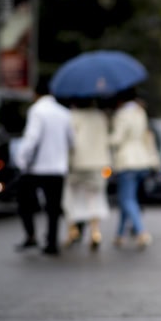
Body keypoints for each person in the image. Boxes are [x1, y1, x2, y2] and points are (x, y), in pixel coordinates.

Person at [14, 76, 73, 256]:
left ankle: (31, 234)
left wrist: (21, 160)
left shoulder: (37, 111)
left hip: (37, 168)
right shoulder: (65, 113)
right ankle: (52, 242)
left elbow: (31, 139)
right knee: (53, 208)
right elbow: (72, 141)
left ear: (36, 93)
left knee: (24, 202)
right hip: (58, 168)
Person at [109, 88, 161, 249]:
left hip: (127, 161)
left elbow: (117, 139)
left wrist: (104, 139)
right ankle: (119, 234)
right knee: (129, 198)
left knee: (126, 199)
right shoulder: (140, 113)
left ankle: (141, 232)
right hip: (142, 160)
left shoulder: (122, 115)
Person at [62, 98, 112, 251]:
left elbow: (70, 141)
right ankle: (95, 232)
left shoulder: (72, 116)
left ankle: (72, 230)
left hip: (77, 163)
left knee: (71, 197)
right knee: (95, 197)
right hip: (98, 163)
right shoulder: (100, 117)